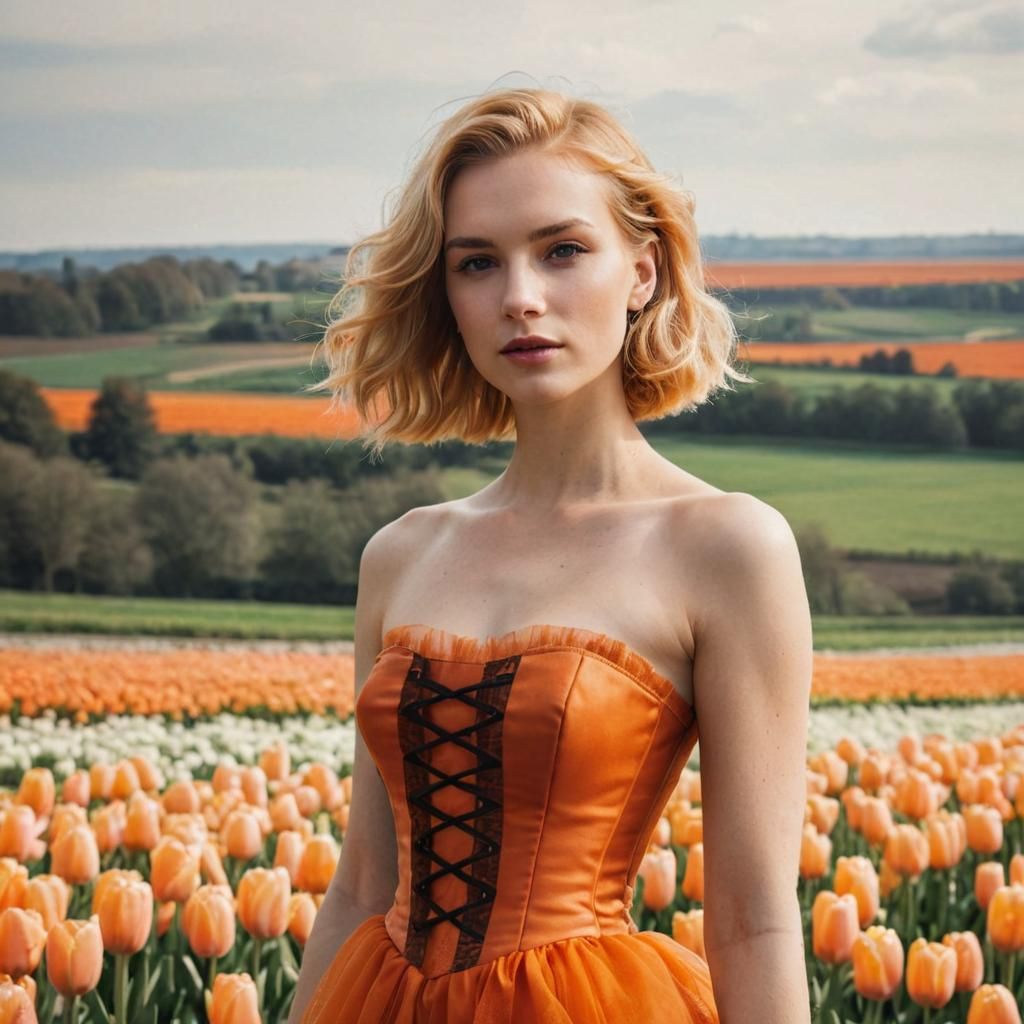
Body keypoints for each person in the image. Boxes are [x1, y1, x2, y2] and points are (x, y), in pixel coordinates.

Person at [289, 85, 813, 1024]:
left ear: (643, 273)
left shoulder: (729, 546)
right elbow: (363, 886)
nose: (520, 298)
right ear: (446, 293)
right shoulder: (401, 553)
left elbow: (753, 921)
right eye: (478, 263)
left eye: (563, 250)